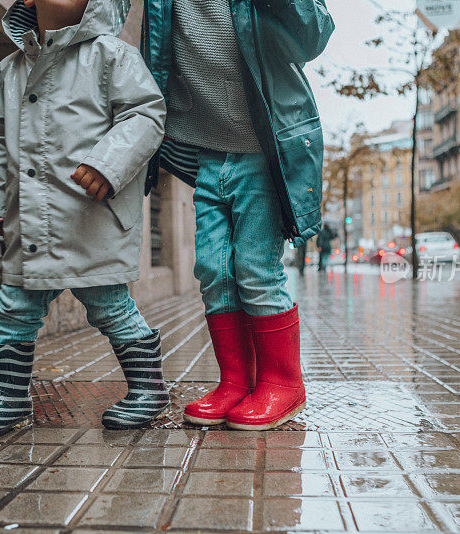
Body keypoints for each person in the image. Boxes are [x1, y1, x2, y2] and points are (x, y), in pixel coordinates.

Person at [0, 0, 167, 440]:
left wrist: (108, 164)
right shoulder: (9, 69)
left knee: (110, 306)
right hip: (30, 221)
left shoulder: (112, 54)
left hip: (89, 215)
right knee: (14, 308)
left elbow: (146, 115)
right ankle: (9, 399)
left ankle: (148, 390)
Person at [142, 0, 334, 430]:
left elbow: (313, 35)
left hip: (261, 153)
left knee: (255, 268)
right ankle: (236, 381)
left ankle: (284, 383)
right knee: (212, 267)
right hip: (206, 153)